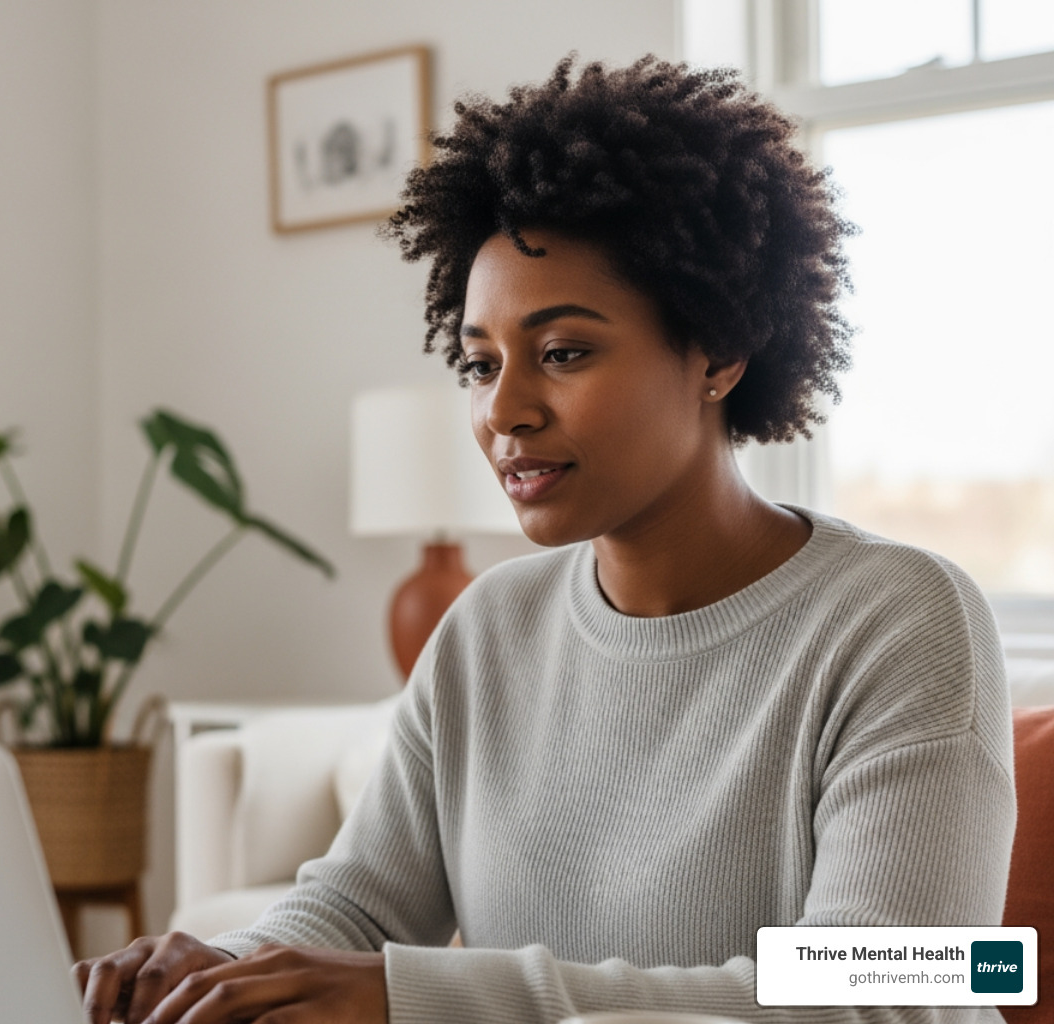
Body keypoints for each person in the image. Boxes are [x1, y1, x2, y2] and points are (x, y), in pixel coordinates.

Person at [75, 55, 1015, 1024]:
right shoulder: (492, 625)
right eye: (481, 364)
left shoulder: (903, 617)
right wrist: (205, 973)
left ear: (721, 350)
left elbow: (902, 989)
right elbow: (356, 902)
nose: (504, 411)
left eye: (564, 353)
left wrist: (420, 995)